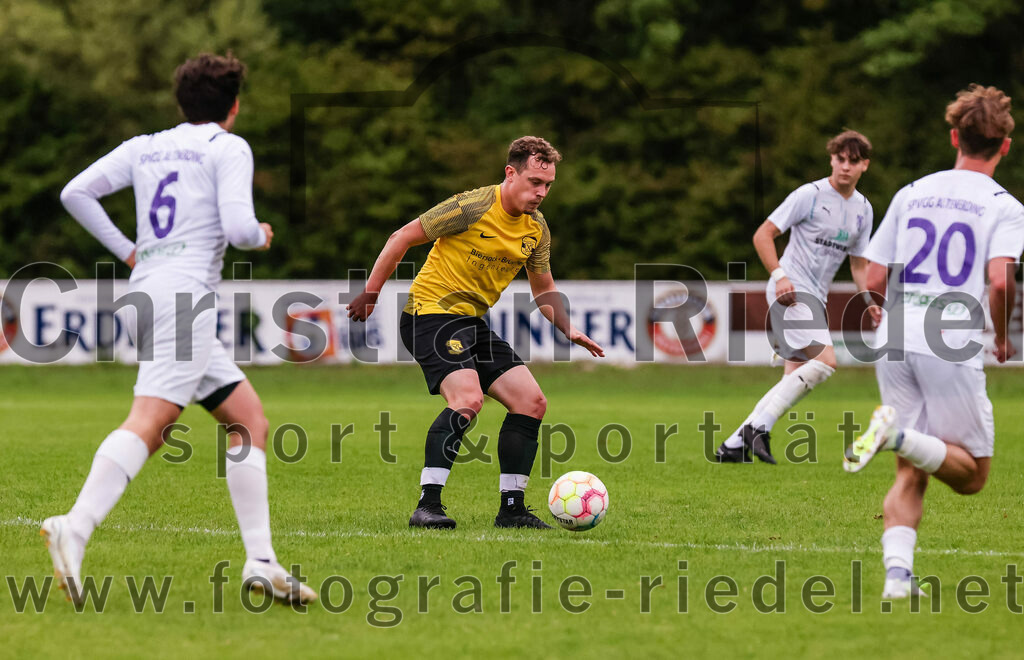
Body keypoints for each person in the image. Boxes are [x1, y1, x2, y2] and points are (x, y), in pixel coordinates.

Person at [45, 53, 315, 604]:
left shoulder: (145, 146)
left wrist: (129, 251)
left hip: (147, 290)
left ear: (180, 102)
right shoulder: (227, 146)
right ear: (233, 106)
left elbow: (76, 192)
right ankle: (75, 524)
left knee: (248, 419)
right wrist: (262, 235)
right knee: (152, 419)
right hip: (185, 296)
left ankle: (261, 561)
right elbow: (240, 228)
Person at [348, 136, 604, 529]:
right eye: (534, 181)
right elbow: (402, 237)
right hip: (429, 314)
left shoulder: (536, 229)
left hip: (470, 323)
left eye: (548, 184)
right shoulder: (471, 206)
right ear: (510, 173)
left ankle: (512, 509)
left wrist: (569, 330)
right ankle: (427, 505)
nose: (541, 192)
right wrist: (370, 292)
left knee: (531, 402)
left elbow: (544, 287)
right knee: (468, 398)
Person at [844, 84, 1023, 599]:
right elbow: (999, 280)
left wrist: (881, 310)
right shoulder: (1004, 206)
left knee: (917, 465)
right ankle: (893, 434)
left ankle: (898, 578)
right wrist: (1004, 335)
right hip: (950, 337)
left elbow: (874, 277)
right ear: (1005, 146)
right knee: (972, 476)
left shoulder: (912, 191)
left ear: (954, 137)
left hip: (896, 334)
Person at [717, 130, 879, 464]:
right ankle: (758, 428)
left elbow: (859, 264)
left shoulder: (864, 210)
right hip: (790, 289)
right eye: (840, 159)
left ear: (865, 165)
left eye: (853, 161)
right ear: (831, 159)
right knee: (826, 361)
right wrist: (780, 276)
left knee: (794, 377)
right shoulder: (811, 194)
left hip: (814, 296)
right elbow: (764, 234)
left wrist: (870, 299)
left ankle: (732, 446)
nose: (845, 167)